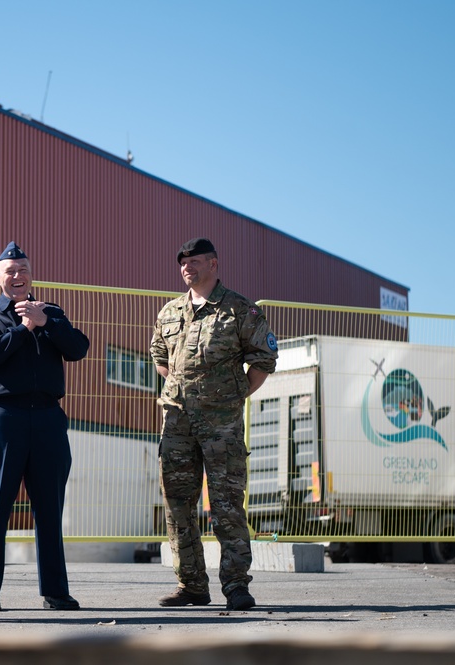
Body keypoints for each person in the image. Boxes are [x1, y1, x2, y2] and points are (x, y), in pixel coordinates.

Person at [150, 237, 278, 612]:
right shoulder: (170, 311)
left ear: (214, 264)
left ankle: (237, 585)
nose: (187, 267)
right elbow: (159, 355)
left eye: (194, 261)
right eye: (182, 262)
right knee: (177, 505)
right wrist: (177, 385)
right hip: (176, 422)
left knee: (226, 505)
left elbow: (263, 359)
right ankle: (191, 585)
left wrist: (234, 395)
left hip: (221, 424)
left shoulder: (240, 310)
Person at [0, 241, 90, 612]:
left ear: (31, 275)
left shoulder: (50, 311)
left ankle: (55, 591)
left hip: (49, 419)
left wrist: (46, 321)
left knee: (49, 510)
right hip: (3, 418)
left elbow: (79, 348)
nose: (17, 277)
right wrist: (24, 327)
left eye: (23, 270)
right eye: (10, 271)